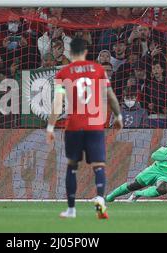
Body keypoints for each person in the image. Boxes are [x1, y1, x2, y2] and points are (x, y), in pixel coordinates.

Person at [46, 37, 123, 219]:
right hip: (95, 124)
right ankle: (99, 198)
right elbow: (110, 95)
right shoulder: (98, 69)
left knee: (72, 166)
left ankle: (71, 210)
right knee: (98, 166)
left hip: (73, 125)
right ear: (86, 52)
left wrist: (50, 127)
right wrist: (118, 116)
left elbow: (58, 102)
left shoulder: (63, 73)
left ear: (70, 53)